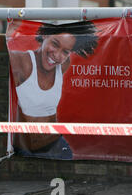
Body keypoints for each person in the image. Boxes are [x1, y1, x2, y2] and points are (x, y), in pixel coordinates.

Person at [8, 21, 99, 159]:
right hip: (27, 149)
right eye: (55, 44)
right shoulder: (21, 62)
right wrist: (8, 35)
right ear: (45, 36)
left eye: (65, 51)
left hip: (55, 145)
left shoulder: (63, 65)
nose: (57, 55)